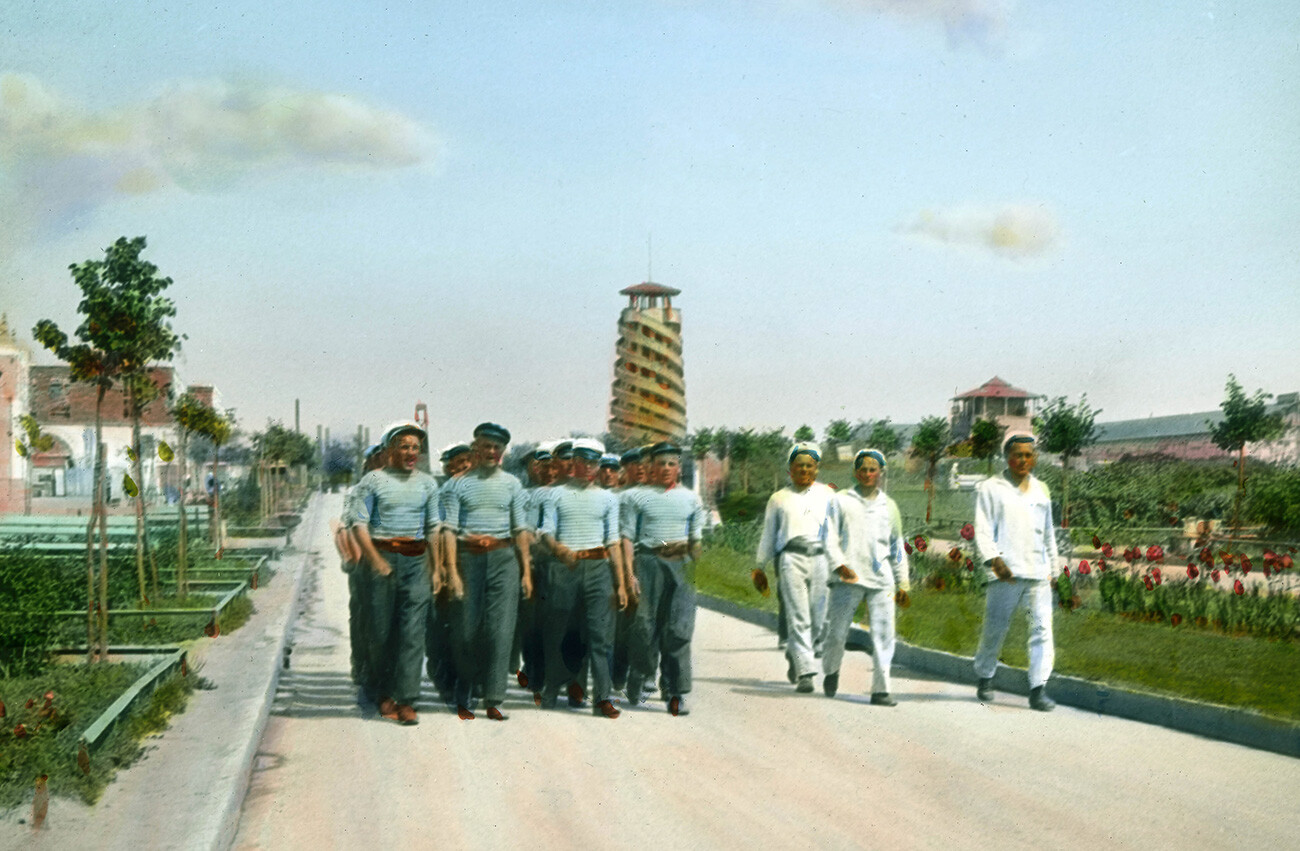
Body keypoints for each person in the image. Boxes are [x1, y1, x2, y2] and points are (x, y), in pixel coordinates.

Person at [347, 422, 441, 726]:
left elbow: (434, 528)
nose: (411, 452)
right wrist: (375, 561)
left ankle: (407, 699)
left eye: (415, 447)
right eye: (404, 446)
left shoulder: (428, 484)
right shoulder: (373, 481)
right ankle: (383, 691)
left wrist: (437, 567)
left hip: (416, 560)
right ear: (390, 450)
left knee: (413, 633)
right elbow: (359, 525)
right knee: (380, 632)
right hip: (382, 557)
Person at [443, 423, 531, 721]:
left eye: (497, 448)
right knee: (467, 630)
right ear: (475, 448)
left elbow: (520, 530)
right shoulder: (456, 485)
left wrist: (526, 572)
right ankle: (466, 690)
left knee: (500, 630)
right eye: (486, 446)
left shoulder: (512, 484)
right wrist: (452, 572)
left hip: (504, 559)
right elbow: (448, 531)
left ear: (503, 452)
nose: (491, 452)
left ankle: (494, 697)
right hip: (469, 559)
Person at [972, 433, 1061, 712]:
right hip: (1005, 572)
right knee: (995, 628)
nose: (1022, 460)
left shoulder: (1041, 490)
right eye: (1017, 454)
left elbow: (1048, 534)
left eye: (1028, 455)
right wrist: (994, 559)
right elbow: (983, 529)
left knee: (1042, 630)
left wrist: (1054, 570)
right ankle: (986, 676)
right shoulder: (990, 488)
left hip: (1037, 571)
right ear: (1006, 457)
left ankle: (1038, 689)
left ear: (1034, 458)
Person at [539, 438, 627, 718]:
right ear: (573, 463)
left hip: (598, 568)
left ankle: (602, 698)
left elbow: (613, 541)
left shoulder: (608, 499)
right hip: (566, 568)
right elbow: (546, 533)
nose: (589, 468)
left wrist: (621, 583)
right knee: (562, 631)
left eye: (594, 463)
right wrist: (559, 549)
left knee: (600, 636)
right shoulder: (556, 495)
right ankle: (553, 688)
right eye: (583, 462)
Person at [622, 442, 706, 715]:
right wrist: (629, 574)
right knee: (644, 626)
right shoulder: (635, 497)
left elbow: (697, 541)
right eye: (661, 464)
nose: (666, 469)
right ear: (651, 468)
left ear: (679, 468)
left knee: (678, 629)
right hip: (648, 561)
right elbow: (625, 538)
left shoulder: (692, 499)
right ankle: (639, 672)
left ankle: (675, 691)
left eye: (671, 464)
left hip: (681, 564)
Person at [822, 449, 909, 706]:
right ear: (855, 472)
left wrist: (903, 581)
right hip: (848, 577)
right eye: (863, 469)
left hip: (881, 580)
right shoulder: (840, 501)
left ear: (880, 473)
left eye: (873, 470)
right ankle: (831, 670)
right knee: (837, 633)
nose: (868, 474)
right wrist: (839, 565)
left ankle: (881, 690)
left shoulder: (889, 506)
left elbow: (897, 547)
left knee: (884, 635)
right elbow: (828, 537)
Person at [755, 442, 838, 693]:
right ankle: (805, 673)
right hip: (792, 559)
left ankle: (796, 651)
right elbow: (769, 534)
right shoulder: (779, 498)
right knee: (798, 616)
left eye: (809, 465)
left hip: (821, 558)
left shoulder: (828, 495)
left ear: (817, 468)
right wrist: (760, 565)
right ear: (790, 469)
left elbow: (837, 532)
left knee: (818, 618)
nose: (804, 470)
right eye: (799, 465)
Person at [334, 443, 387, 693]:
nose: (383, 462)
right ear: (368, 463)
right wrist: (351, 558)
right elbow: (346, 527)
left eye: (386, 457)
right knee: (362, 613)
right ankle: (361, 663)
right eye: (378, 458)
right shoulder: (359, 490)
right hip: (364, 560)